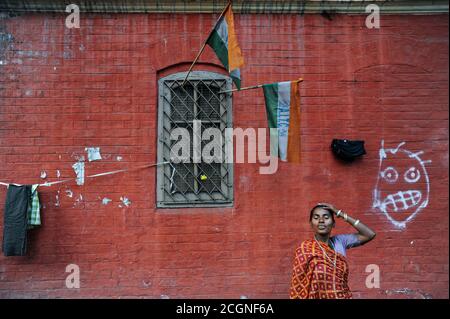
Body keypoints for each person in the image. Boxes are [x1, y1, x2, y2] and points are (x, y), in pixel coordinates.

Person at [289, 203, 376, 299]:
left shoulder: (340, 242)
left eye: (326, 217)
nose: (321, 221)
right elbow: (299, 284)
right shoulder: (305, 250)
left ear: (333, 223)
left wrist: (339, 213)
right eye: (316, 217)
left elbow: (369, 234)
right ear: (311, 223)